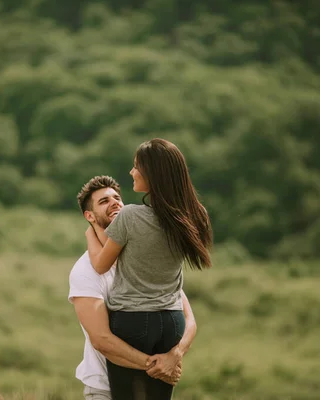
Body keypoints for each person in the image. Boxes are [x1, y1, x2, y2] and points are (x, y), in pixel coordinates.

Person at [85, 139, 213, 400]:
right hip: (172, 322)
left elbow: (100, 265)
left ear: (152, 174)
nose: (131, 172)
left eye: (136, 167)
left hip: (133, 321)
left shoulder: (130, 216)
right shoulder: (193, 215)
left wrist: (90, 230)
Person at [69, 175, 198, 400]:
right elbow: (102, 340)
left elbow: (189, 318)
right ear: (89, 216)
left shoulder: (145, 258)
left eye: (117, 198)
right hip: (105, 390)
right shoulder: (84, 272)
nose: (114, 202)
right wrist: (158, 366)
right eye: (104, 201)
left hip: (154, 384)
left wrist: (174, 356)